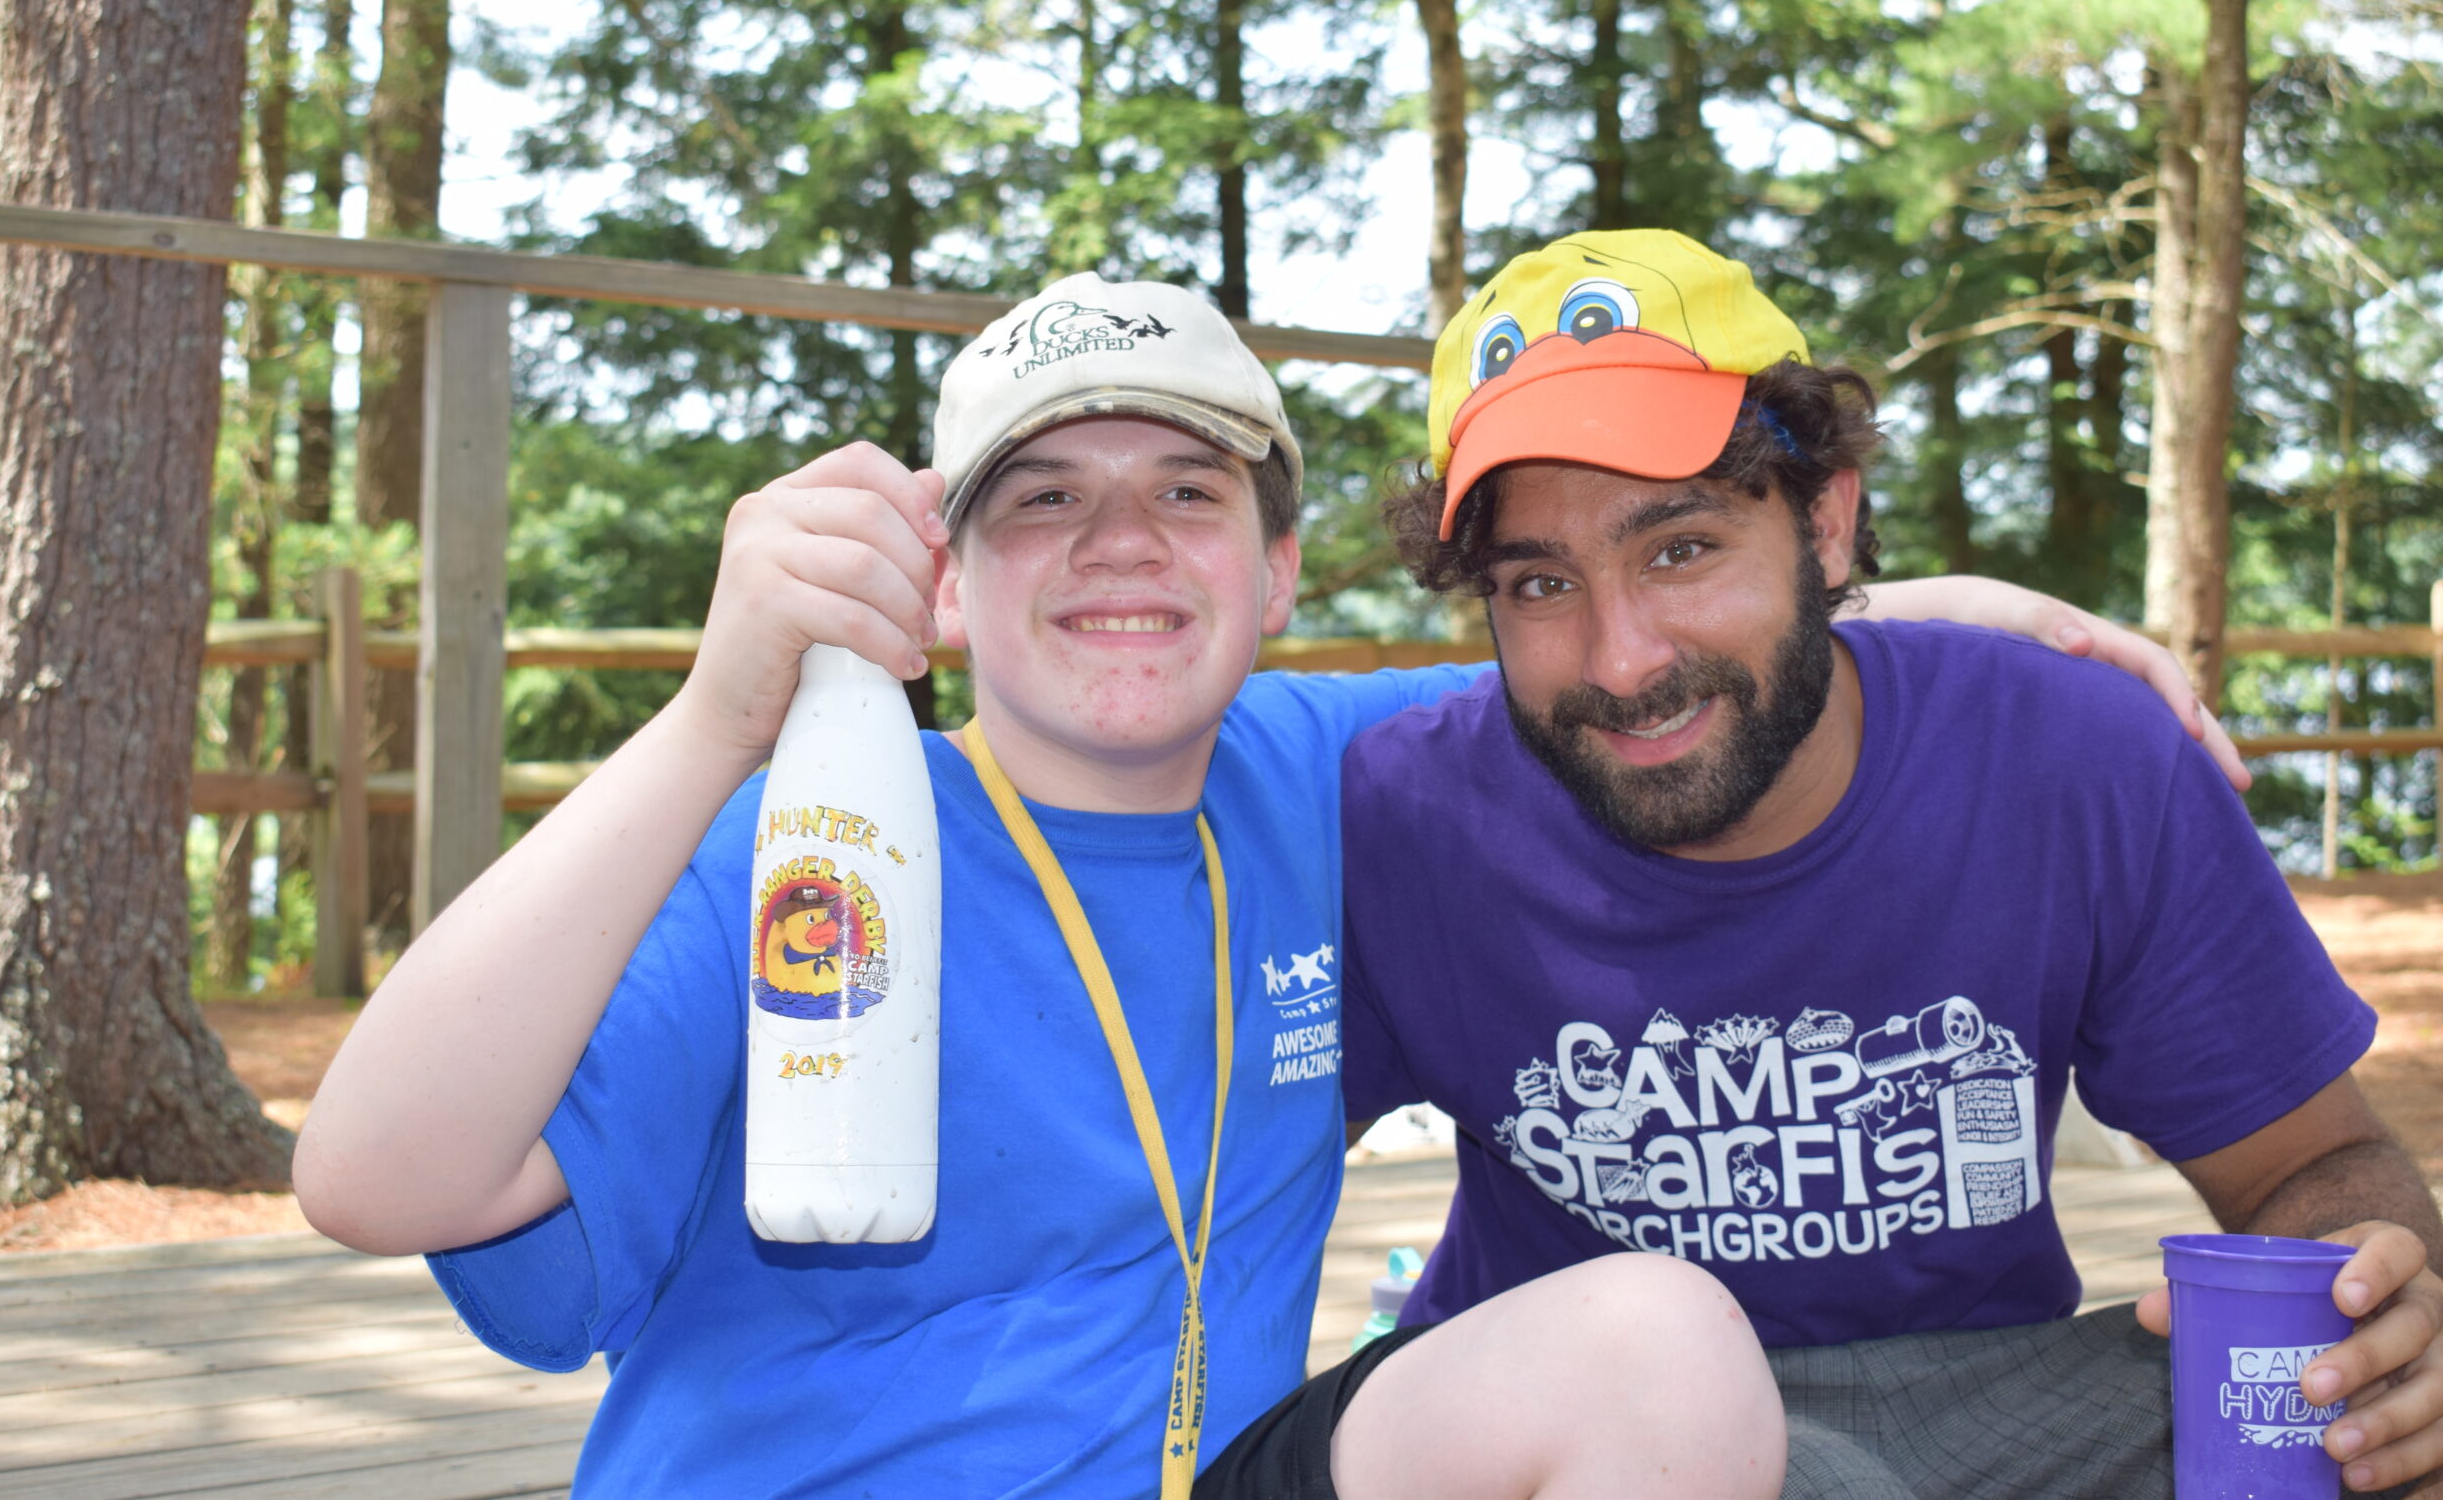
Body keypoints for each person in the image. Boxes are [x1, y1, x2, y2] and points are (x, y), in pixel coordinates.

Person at [295, 270, 2222, 1499]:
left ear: (1278, 573)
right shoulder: (806, 837)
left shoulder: (1333, 780)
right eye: (1042, 494)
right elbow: (377, 1177)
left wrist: (1929, 617)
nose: (1120, 539)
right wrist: (722, 716)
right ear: (944, 583)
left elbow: (1629, 663)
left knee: (1656, 1342)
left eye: (1189, 491)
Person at [1332, 228, 2443, 1500]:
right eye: (1538, 584)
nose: (1621, 660)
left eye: (1680, 549)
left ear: (1827, 527)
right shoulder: (1397, 816)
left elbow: (2309, 1165)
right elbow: (1204, 1208)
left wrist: (2383, 1317)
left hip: (1982, 1412)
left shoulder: (2073, 761)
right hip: (1573, 1438)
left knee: (2294, 1427)